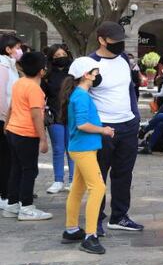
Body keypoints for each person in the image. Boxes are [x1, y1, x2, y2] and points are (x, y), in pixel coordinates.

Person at [90, 22, 143, 234]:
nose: (119, 45)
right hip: (102, 127)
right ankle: (96, 218)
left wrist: (135, 116)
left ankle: (119, 216)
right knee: (99, 175)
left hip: (128, 125)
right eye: (114, 41)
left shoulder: (123, 59)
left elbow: (130, 89)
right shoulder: (89, 63)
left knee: (124, 173)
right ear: (101, 40)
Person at [60, 57, 113, 254]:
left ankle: (71, 229)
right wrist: (104, 130)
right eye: (95, 72)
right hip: (83, 149)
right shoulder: (81, 96)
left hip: (80, 148)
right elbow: (82, 124)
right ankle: (90, 236)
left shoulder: (78, 94)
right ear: (86, 75)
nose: (97, 75)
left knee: (78, 189)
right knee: (98, 187)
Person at [4, 51, 51, 220]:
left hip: (13, 131)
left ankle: (12, 204)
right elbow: (36, 115)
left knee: (16, 169)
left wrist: (7, 125)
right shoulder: (35, 89)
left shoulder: (19, 83)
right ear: (42, 71)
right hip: (26, 134)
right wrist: (43, 139)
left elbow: (11, 106)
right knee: (29, 170)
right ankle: (26, 207)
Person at [43, 44, 75, 194]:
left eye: (62, 54)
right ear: (51, 58)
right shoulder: (48, 75)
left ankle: (73, 180)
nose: (60, 57)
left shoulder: (74, 72)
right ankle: (58, 180)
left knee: (71, 149)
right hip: (55, 115)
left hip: (72, 115)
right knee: (58, 148)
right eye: (56, 56)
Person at [0, 33, 22, 214]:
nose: (19, 50)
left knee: (9, 157)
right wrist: (5, 119)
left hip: (10, 118)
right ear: (8, 49)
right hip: (4, 120)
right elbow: (2, 96)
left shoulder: (12, 66)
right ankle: (4, 195)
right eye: (16, 47)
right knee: (5, 159)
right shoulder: (2, 66)